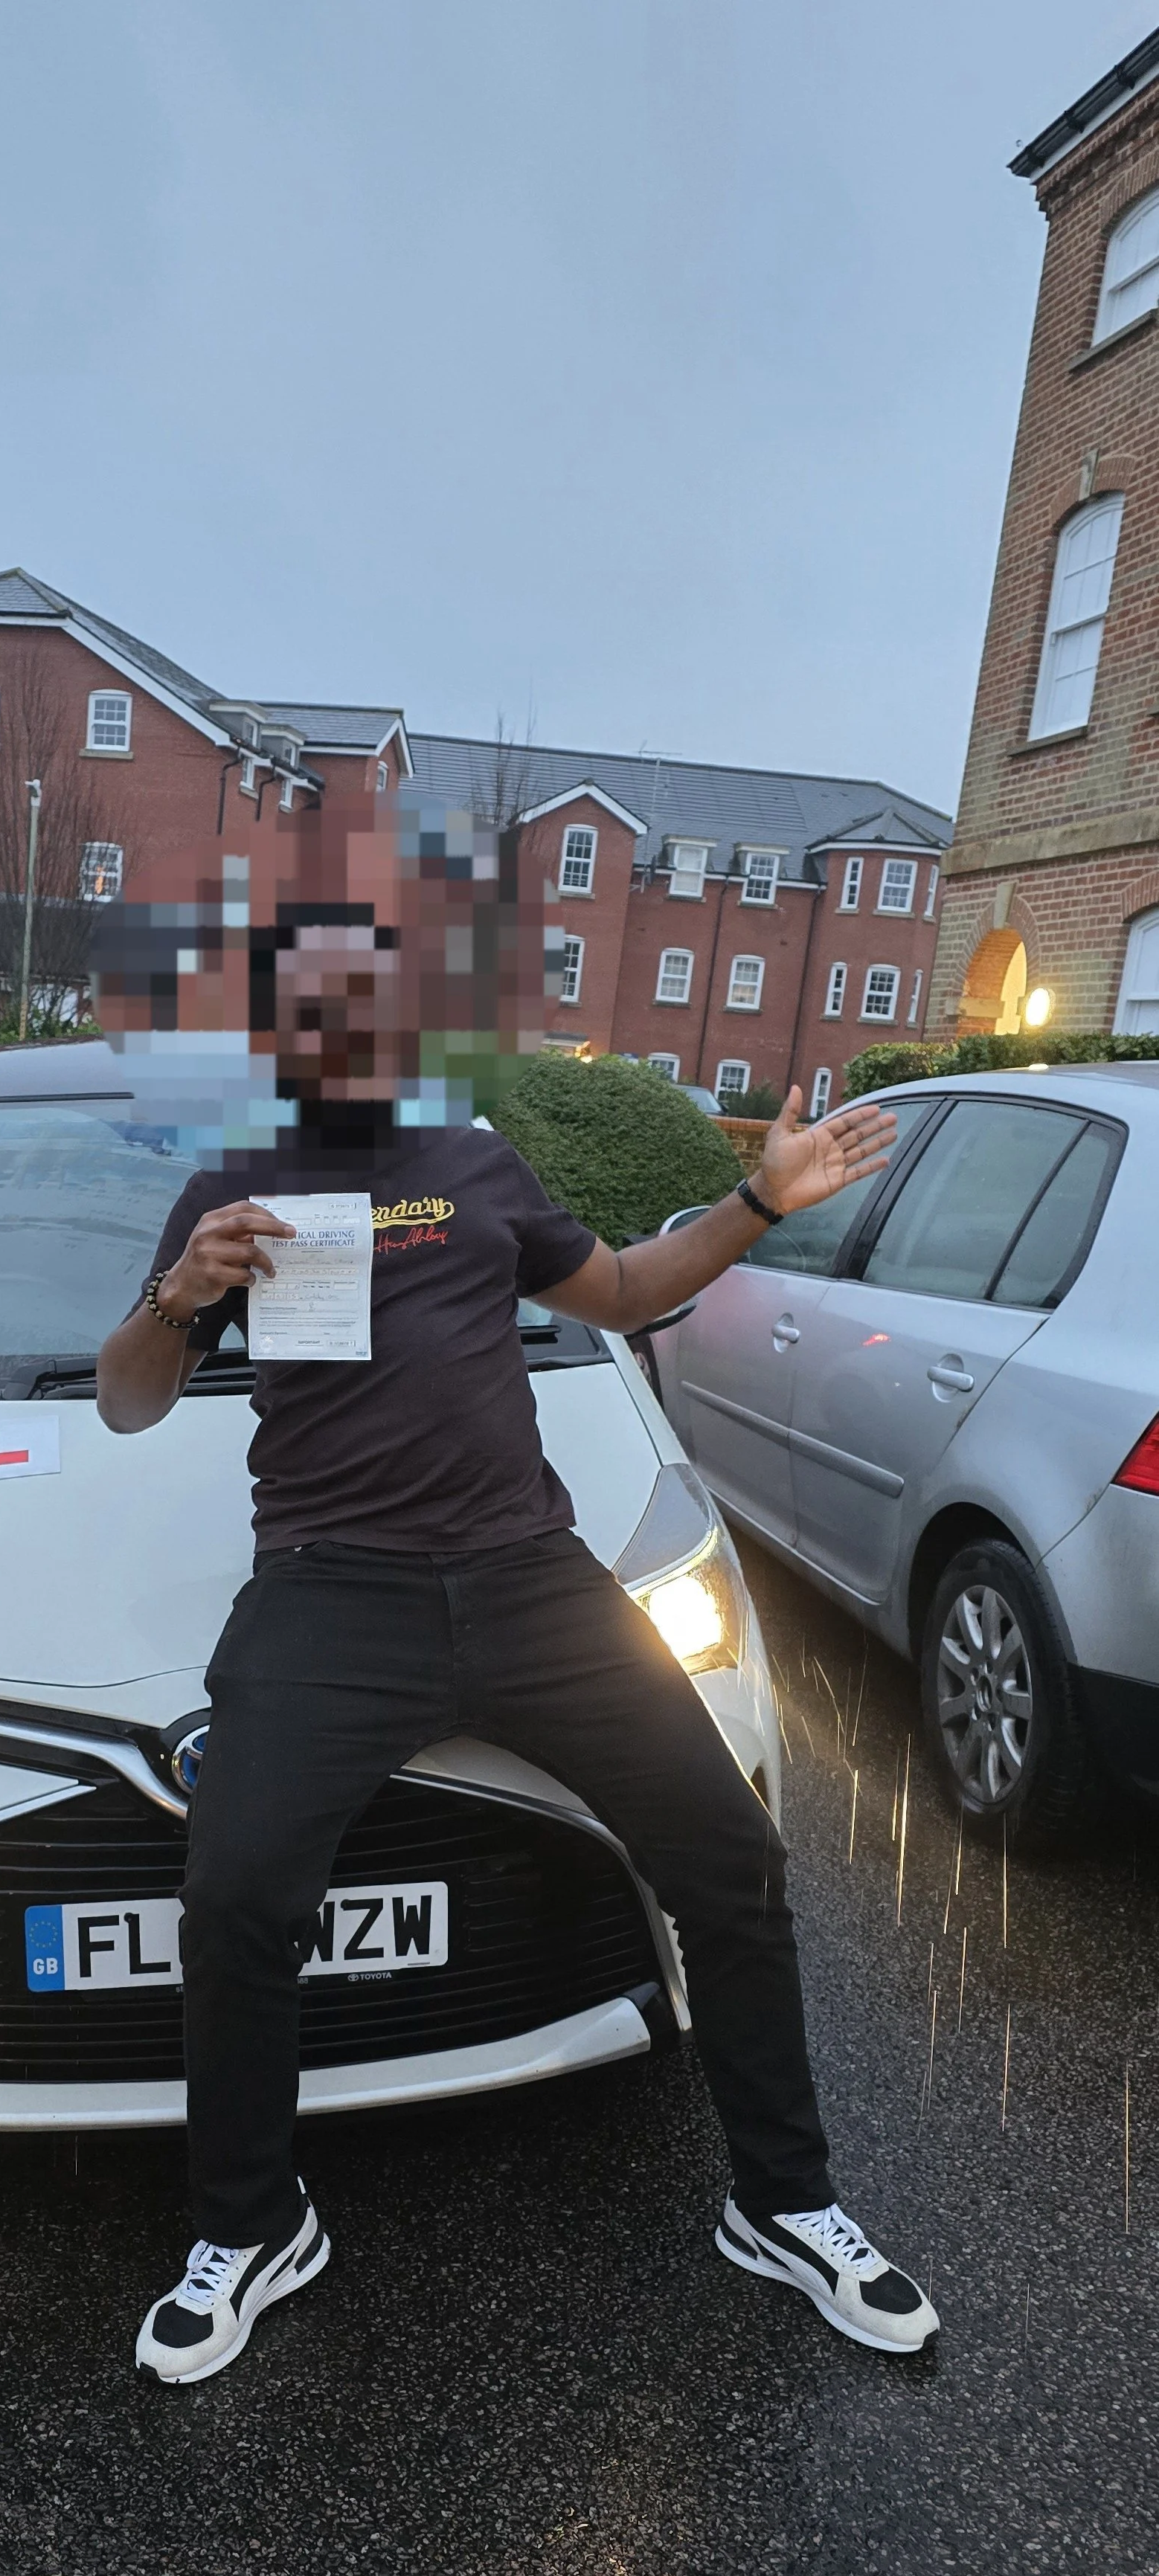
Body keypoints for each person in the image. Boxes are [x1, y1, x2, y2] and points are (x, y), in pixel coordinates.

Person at [94, 811, 939, 2384]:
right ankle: (250, 2220)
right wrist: (179, 1292)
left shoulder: (476, 1166)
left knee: (733, 1856)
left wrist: (759, 1201)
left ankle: (783, 2199)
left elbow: (617, 1291)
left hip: (529, 1578)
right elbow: (128, 1401)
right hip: (327, 1591)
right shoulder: (235, 1191)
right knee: (233, 1894)